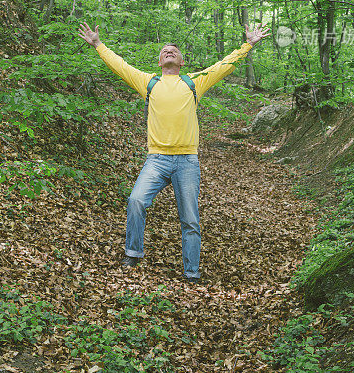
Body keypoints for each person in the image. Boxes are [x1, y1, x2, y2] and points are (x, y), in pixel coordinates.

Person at [78, 22, 270, 283]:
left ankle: (191, 272)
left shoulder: (194, 83)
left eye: (174, 51)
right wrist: (98, 45)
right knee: (136, 201)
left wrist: (248, 44)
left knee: (190, 219)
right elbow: (120, 65)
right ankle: (133, 252)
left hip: (187, 161)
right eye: (165, 51)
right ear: (159, 62)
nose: (169, 52)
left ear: (181, 61)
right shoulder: (148, 82)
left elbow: (224, 66)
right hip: (156, 159)